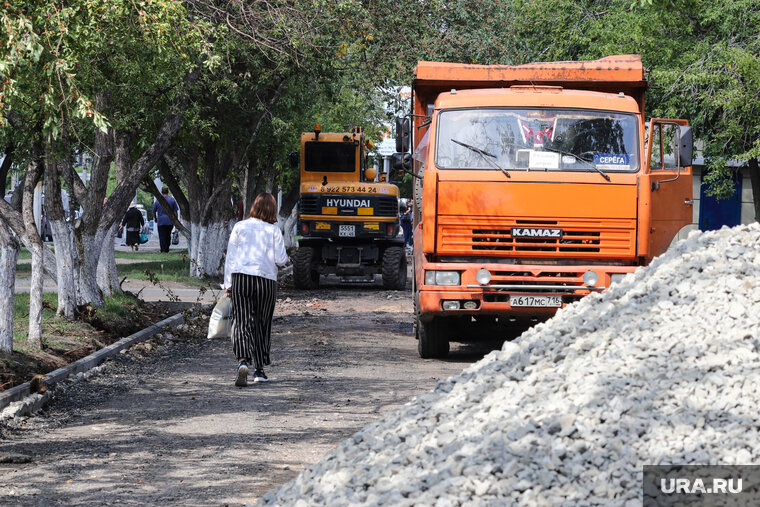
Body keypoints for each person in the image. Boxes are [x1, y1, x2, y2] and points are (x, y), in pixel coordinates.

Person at [224, 193, 289, 387]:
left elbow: (231, 258)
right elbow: (281, 259)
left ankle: (243, 361)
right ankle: (259, 370)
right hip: (266, 281)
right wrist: (286, 262)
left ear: (254, 207)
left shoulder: (240, 227)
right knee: (262, 323)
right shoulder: (273, 230)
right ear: (272, 210)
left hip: (241, 278)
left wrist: (228, 285)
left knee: (242, 321)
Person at [152, 186, 179, 253]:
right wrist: (176, 220)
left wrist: (155, 218)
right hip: (170, 221)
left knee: (162, 236)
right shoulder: (172, 200)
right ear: (168, 192)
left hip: (160, 221)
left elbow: (153, 211)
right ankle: (167, 248)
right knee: (168, 235)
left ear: (162, 192)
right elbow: (175, 212)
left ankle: (162, 249)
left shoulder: (158, 200)